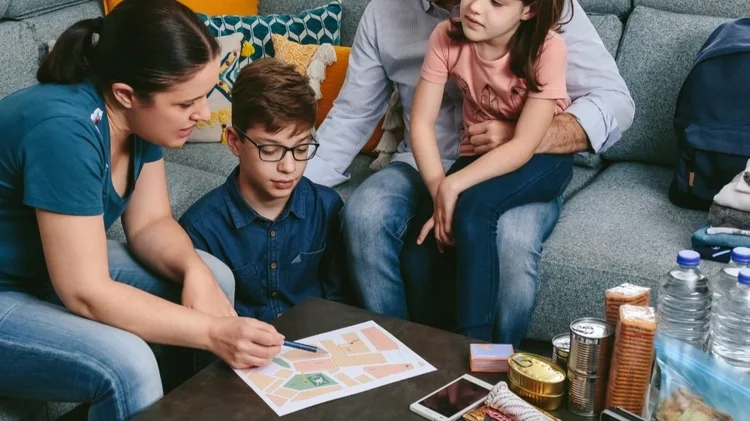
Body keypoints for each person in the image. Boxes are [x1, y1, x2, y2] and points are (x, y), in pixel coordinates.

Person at [0, 1, 283, 420]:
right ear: (126, 94)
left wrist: (194, 271)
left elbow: (151, 224)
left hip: (41, 267)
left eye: (204, 96)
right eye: (187, 103)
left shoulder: (138, 120)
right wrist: (212, 332)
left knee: (213, 276)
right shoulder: (64, 131)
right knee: (127, 365)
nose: (203, 114)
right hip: (14, 286)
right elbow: (86, 292)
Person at [304, 0, 634, 347]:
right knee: (364, 216)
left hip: (514, 163)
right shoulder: (389, 15)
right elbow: (353, 115)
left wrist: (526, 135)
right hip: (424, 162)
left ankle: (497, 366)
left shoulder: (543, 10)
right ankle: (404, 354)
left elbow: (615, 102)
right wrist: (288, 184)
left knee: (511, 241)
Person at [407, 0, 574, 341]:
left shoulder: (548, 48)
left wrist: (454, 187)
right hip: (481, 154)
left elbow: (524, 145)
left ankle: (477, 351)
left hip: (541, 157)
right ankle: (435, 350)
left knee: (474, 211)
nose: (475, 7)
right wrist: (441, 189)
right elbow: (421, 124)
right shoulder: (446, 35)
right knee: (424, 240)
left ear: (527, 11)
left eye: (497, 2)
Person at [180, 58, 349, 322]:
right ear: (234, 142)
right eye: (270, 150)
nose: (289, 166)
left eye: (301, 149)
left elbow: (340, 303)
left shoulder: (326, 208)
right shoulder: (200, 228)